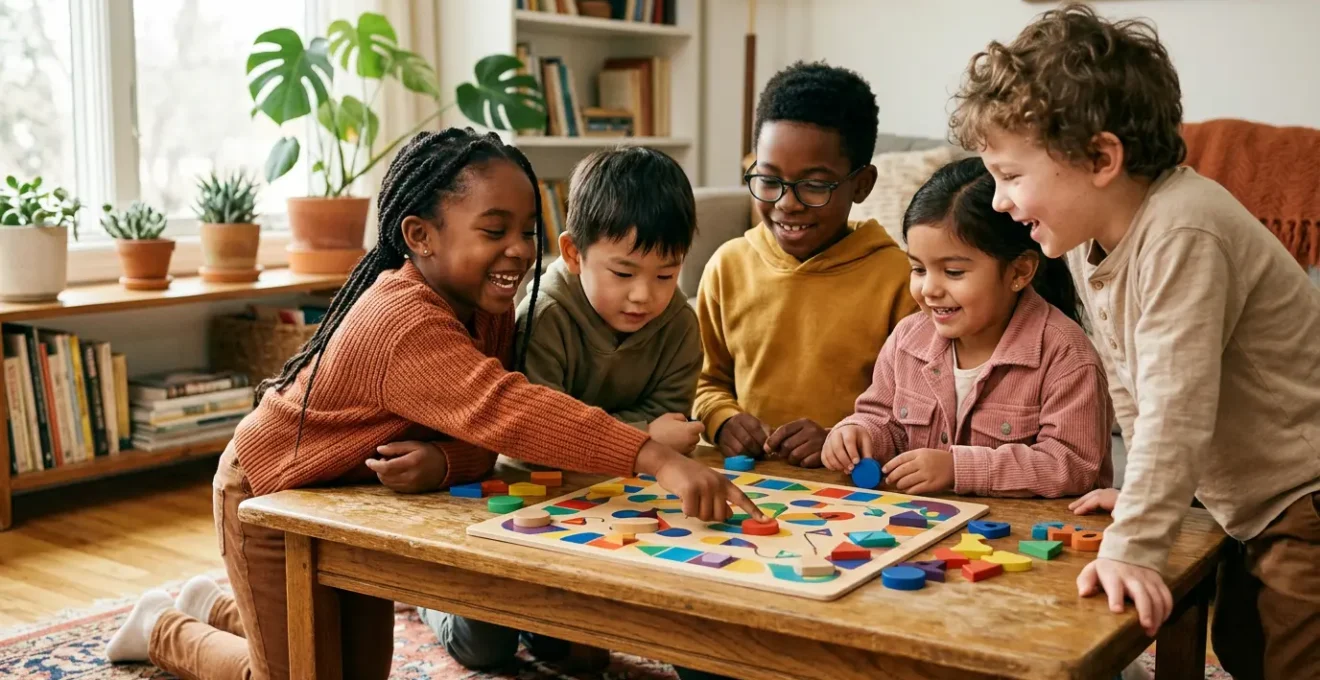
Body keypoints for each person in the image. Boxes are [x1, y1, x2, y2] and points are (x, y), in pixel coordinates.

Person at [104, 128, 760, 680]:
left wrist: (445, 462)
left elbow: (482, 429)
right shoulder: (402, 318)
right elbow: (511, 410)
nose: (519, 249)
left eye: (528, 229)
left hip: (342, 503)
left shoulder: (491, 306)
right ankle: (161, 627)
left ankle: (216, 606)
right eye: (494, 230)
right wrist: (653, 457)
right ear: (420, 235)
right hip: (267, 496)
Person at [952, 4, 1320, 675]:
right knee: (1245, 646)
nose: (1000, 200)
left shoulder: (1184, 229)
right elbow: (1127, 372)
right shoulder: (1082, 237)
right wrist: (1150, 494)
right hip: (1248, 501)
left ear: (1100, 157)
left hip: (1304, 495)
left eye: (1010, 175)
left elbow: (1179, 400)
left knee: (1290, 660)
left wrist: (1136, 543)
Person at [418, 145, 706, 671]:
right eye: (623, 273)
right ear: (573, 254)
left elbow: (676, 430)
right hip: (534, 501)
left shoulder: (680, 325)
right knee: (486, 647)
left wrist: (645, 443)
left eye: (666, 275)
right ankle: (430, 597)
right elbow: (538, 444)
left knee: (637, 638)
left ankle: (553, 623)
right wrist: (646, 438)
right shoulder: (542, 315)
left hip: (626, 501)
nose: (644, 295)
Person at [823, 156, 1113, 499]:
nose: (929, 289)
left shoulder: (1066, 355)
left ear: (1019, 272)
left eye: (954, 272)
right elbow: (883, 420)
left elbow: (1072, 465)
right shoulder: (906, 340)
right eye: (918, 269)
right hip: (924, 527)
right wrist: (858, 433)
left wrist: (958, 469)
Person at [694, 61, 919, 468]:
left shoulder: (899, 280)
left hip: (854, 489)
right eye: (768, 179)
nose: (787, 202)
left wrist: (840, 438)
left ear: (862, 184)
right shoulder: (727, 267)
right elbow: (703, 380)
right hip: (749, 482)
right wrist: (723, 420)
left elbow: (916, 408)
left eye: (815, 184)